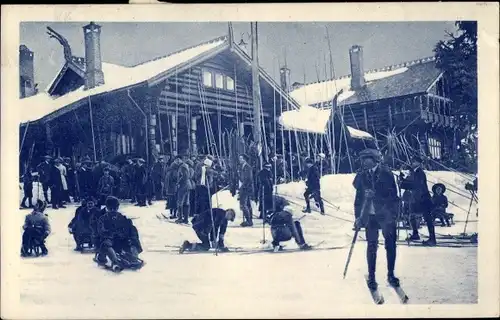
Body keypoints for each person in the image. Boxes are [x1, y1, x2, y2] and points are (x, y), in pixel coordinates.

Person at [353, 148, 401, 290]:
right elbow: (358, 197)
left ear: (374, 160)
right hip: (370, 216)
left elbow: (393, 196)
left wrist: (394, 214)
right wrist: (358, 217)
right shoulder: (361, 175)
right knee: (371, 246)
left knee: (390, 245)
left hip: (386, 215)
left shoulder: (386, 174)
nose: (362, 162)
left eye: (365, 159)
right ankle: (372, 276)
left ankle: (391, 274)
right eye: (362, 159)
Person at [95, 196, 143, 270]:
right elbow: (101, 231)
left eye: (115, 208)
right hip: (108, 241)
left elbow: (129, 229)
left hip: (121, 240)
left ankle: (133, 258)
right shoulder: (103, 219)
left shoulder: (122, 218)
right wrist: (111, 234)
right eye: (111, 209)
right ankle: (115, 261)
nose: (113, 210)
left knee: (132, 241)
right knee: (106, 244)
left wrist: (125, 235)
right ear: (107, 208)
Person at [399, 155, 436, 246]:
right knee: (412, 216)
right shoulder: (414, 172)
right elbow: (410, 182)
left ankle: (432, 238)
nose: (412, 163)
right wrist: (402, 180)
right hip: (416, 198)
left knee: (428, 218)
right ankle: (415, 234)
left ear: (419, 163)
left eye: (414, 161)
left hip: (423, 198)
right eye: (412, 161)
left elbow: (416, 185)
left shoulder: (420, 173)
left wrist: (403, 183)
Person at [238, 154, 254, 227]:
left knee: (243, 205)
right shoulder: (242, 167)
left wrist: (243, 187)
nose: (240, 160)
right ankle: (249, 221)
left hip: (246, 188)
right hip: (244, 188)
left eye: (241, 158)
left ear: (244, 159)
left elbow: (248, 179)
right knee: (247, 204)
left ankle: (248, 220)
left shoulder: (247, 167)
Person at [176, 157, 193, 224]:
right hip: (187, 186)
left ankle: (180, 218)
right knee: (186, 202)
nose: (177, 161)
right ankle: (185, 218)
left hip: (183, 186)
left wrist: (178, 183)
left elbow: (184, 176)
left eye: (178, 160)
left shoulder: (182, 167)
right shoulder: (186, 166)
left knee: (180, 202)